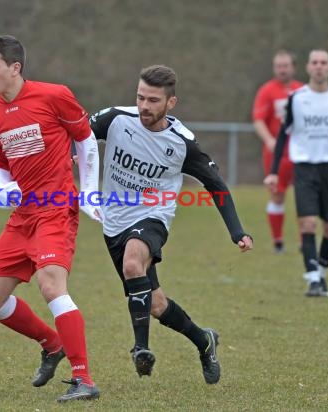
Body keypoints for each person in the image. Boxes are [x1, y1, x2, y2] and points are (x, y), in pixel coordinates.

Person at [89, 65, 253, 383]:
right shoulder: (114, 119)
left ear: (170, 103)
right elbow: (77, 135)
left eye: (153, 100)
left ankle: (140, 349)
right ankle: (204, 340)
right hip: (113, 222)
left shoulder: (182, 143)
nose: (144, 106)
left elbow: (216, 185)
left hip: (153, 218)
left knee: (133, 262)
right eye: (140, 97)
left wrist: (237, 231)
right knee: (155, 303)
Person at [0, 35, 102, 403]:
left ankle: (84, 378)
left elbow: (86, 139)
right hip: (23, 216)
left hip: (56, 207)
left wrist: (90, 191)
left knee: (51, 285)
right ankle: (51, 343)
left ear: (15, 68)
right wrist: (1, 186)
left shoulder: (54, 95)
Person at [265, 49, 328, 297]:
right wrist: (274, 171)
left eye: (323, 62)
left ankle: (322, 271)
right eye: (315, 62)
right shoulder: (297, 98)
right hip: (305, 169)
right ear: (307, 67)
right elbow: (284, 134)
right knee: (307, 224)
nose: (319, 67)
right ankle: (313, 280)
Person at [253, 50, 303, 253]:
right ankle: (278, 241)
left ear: (294, 67)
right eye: (278, 66)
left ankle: (304, 241)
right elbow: (258, 120)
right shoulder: (267, 90)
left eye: (286, 66)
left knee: (305, 195)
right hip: (277, 154)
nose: (282, 70)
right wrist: (270, 140)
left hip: (301, 152)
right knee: (277, 195)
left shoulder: (303, 90)